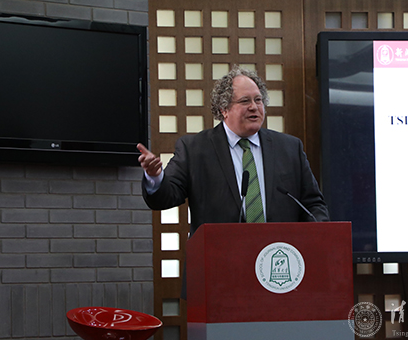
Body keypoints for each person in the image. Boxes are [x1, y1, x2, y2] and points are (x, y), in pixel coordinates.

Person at [137, 66, 328, 235]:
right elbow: (165, 198)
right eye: (245, 101)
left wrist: (321, 236)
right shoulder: (195, 149)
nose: (254, 107)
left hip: (277, 256)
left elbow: (312, 204)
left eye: (258, 100)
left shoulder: (289, 148)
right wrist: (155, 177)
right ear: (224, 109)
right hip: (219, 256)